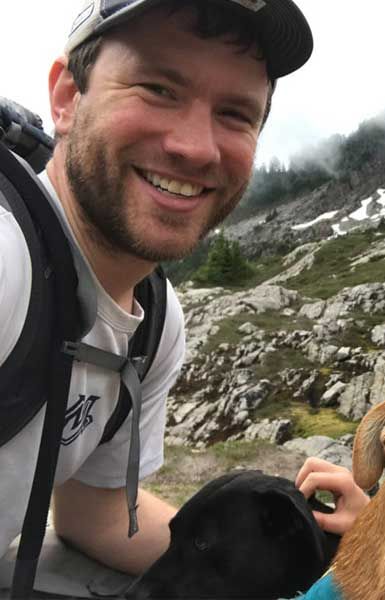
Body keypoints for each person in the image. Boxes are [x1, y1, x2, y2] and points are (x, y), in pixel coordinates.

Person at [0, 0, 313, 579]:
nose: (196, 147)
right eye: (157, 89)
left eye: (236, 114)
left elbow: (93, 513)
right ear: (67, 97)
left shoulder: (153, 322)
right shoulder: (7, 259)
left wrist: (308, 580)